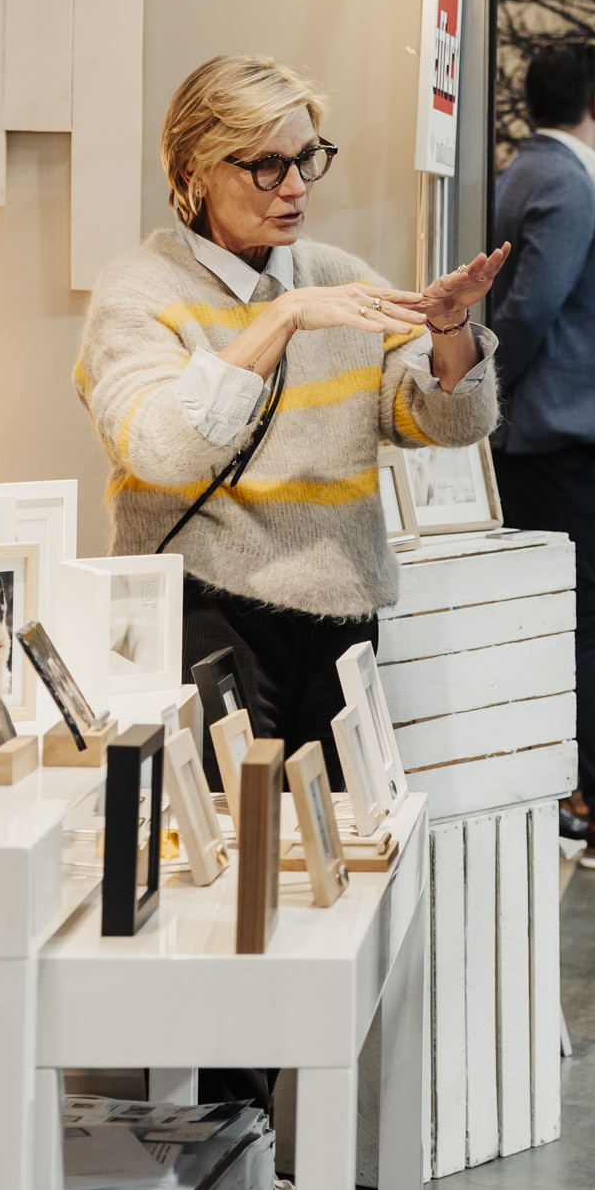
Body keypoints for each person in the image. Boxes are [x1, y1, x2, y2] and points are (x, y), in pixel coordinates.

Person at [79, 54, 506, 781]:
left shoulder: (338, 278)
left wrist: (449, 329)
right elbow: (162, 449)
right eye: (268, 166)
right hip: (206, 611)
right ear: (193, 171)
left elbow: (448, 422)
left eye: (307, 158)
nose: (297, 186)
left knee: (337, 838)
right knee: (229, 834)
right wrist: (280, 319)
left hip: (341, 617)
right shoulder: (137, 293)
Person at [489, 42, 595, 862]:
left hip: (544, 441)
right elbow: (528, 311)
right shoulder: (561, 181)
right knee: (587, 627)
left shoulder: (532, 172)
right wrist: (482, 395)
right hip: (558, 443)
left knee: (566, 625)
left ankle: (585, 792)